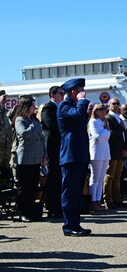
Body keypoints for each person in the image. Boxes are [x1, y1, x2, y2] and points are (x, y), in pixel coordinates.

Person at [57, 77, 92, 236]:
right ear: (73, 92)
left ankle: (75, 224)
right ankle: (68, 226)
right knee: (69, 193)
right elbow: (77, 115)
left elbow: (80, 121)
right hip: (70, 155)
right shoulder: (64, 106)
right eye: (79, 91)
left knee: (77, 193)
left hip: (79, 154)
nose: (82, 93)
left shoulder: (74, 106)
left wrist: (87, 112)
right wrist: (82, 102)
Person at [13, 97, 48, 222]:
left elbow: (42, 138)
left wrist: (44, 155)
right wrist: (33, 125)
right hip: (25, 159)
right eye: (33, 105)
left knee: (33, 187)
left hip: (36, 158)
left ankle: (32, 211)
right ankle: (23, 212)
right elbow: (24, 134)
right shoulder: (20, 120)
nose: (35, 107)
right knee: (24, 187)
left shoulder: (34, 120)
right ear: (26, 107)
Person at [40, 86, 64, 218]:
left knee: (58, 177)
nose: (63, 95)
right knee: (53, 177)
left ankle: (58, 205)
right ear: (52, 95)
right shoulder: (48, 108)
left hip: (60, 147)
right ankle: (52, 206)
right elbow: (51, 126)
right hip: (52, 147)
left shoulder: (61, 108)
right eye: (60, 93)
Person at [104, 98, 127, 209]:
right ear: (109, 106)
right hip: (113, 151)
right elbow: (111, 134)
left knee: (118, 176)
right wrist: (121, 128)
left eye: (118, 103)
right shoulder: (108, 118)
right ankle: (108, 199)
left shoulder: (119, 119)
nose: (116, 105)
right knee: (110, 176)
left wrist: (126, 148)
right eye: (113, 103)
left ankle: (117, 198)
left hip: (120, 151)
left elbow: (125, 135)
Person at [87, 103, 110, 211]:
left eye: (104, 110)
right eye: (100, 109)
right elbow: (98, 137)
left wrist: (106, 131)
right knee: (95, 177)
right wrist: (106, 131)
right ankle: (92, 201)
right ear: (95, 111)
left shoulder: (103, 122)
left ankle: (98, 200)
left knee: (101, 178)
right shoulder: (93, 122)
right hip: (96, 153)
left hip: (105, 152)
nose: (103, 112)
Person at [0, 90, 13, 183]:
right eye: (3, 97)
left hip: (7, 147)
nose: (5, 99)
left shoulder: (7, 113)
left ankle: (6, 196)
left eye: (6, 97)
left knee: (6, 172)